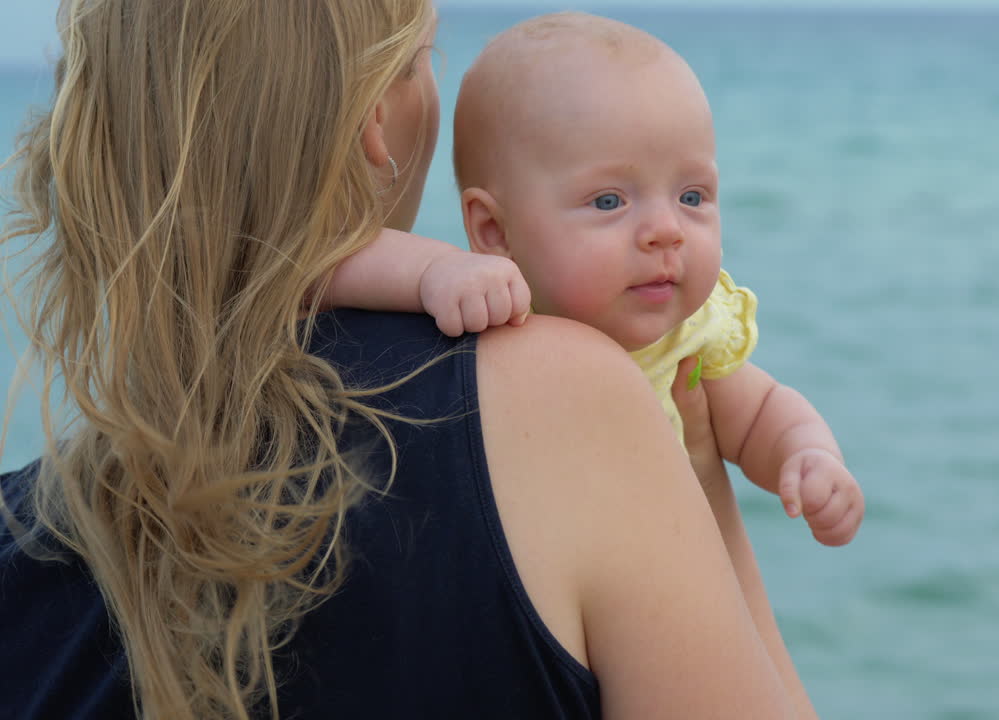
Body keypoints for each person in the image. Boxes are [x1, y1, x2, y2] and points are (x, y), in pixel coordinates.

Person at [0, 2, 817, 719]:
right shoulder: (565, 395)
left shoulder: (19, 537)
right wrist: (702, 486)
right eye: (425, 56)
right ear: (375, 122)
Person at [326, 12, 864, 547]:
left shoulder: (685, 340)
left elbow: (762, 414)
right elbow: (314, 268)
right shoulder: (488, 313)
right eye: (609, 201)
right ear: (494, 231)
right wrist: (431, 271)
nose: (666, 230)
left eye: (692, 196)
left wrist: (808, 456)